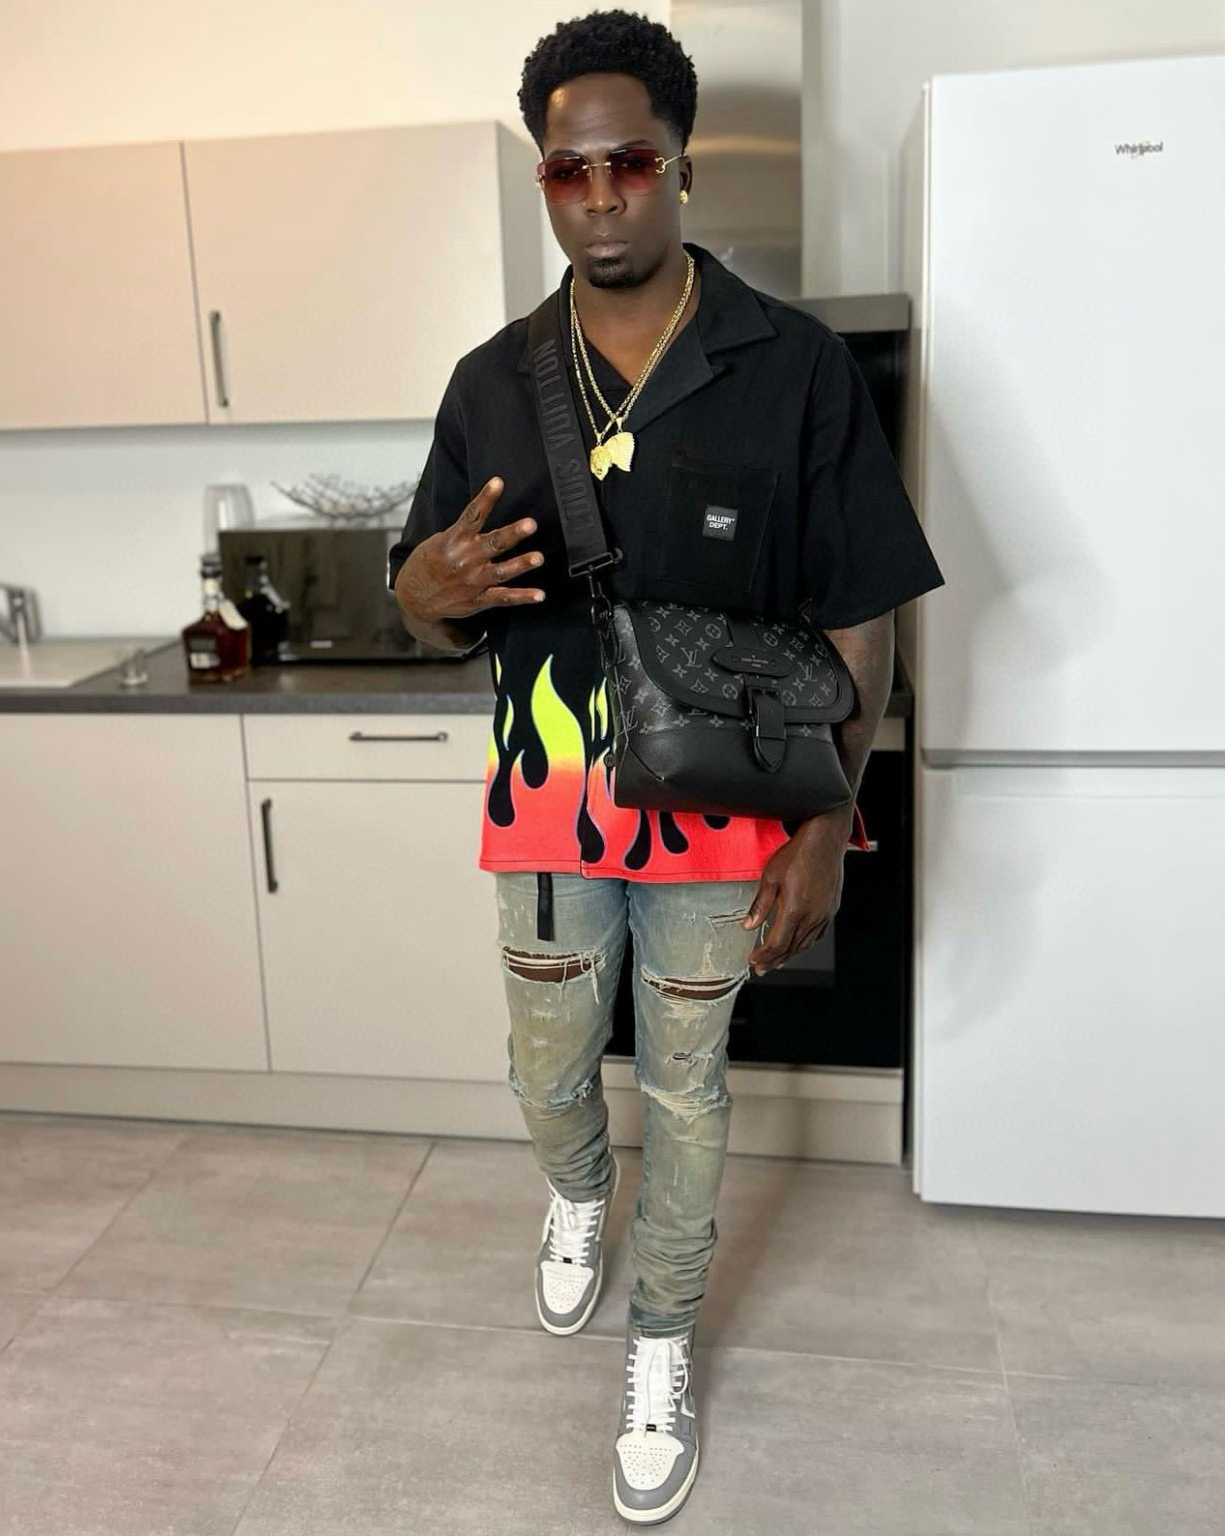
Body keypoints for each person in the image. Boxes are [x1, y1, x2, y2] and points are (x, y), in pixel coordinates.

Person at [389, 9, 944, 1524]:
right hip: (547, 796)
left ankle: (661, 1340)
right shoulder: (490, 381)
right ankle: (580, 1192)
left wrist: (828, 823)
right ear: (544, 179)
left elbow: (858, 604)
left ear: (681, 164)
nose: (600, 194)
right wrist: (417, 594)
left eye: (629, 161)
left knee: (688, 1088)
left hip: (724, 799)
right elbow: (429, 590)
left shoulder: (792, 365)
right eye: (566, 170)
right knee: (546, 1066)